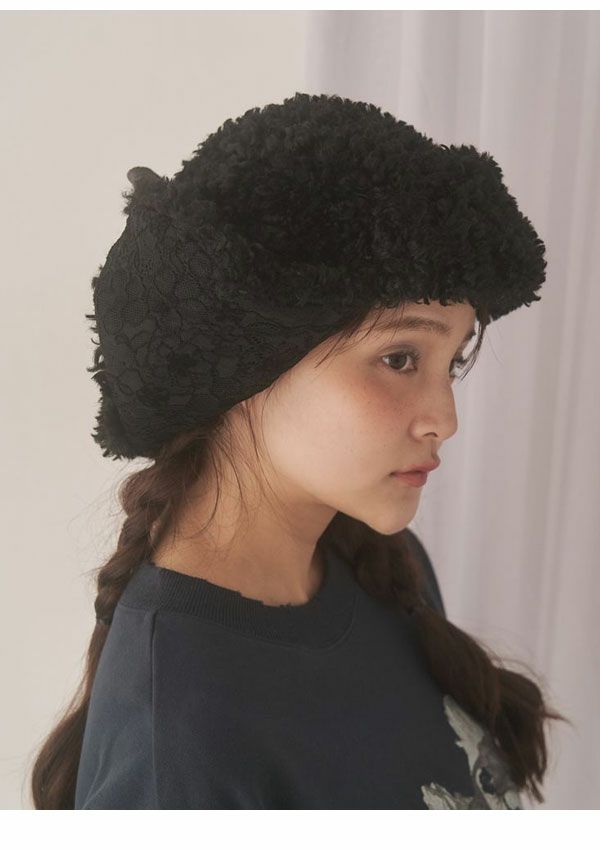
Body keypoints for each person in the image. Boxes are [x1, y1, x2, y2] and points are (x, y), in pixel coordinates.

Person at [29, 92, 569, 810]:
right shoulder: (179, 745)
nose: (444, 419)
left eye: (453, 361)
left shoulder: (384, 564)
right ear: (247, 366)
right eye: (400, 358)